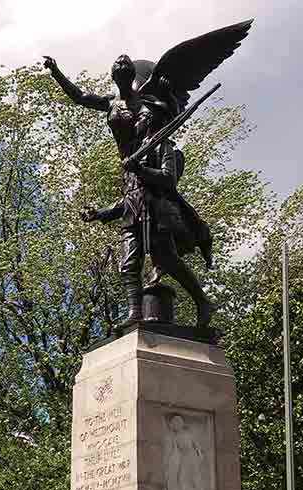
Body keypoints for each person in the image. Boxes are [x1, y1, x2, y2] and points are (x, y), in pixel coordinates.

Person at [43, 55, 211, 329]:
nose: (121, 60)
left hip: (157, 205)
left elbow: (168, 181)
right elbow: (80, 96)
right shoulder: (111, 103)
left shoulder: (162, 146)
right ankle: (134, 312)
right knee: (127, 263)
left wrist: (167, 94)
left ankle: (202, 301)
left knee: (168, 260)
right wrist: (56, 72)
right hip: (133, 196)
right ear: (113, 76)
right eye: (117, 63)